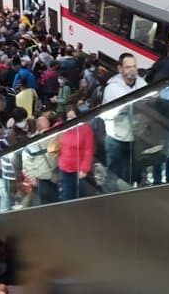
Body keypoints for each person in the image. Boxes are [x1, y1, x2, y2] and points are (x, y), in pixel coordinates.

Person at [101, 53, 147, 184]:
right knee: (114, 172)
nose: (132, 70)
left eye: (134, 66)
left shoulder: (142, 83)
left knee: (131, 172)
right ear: (120, 69)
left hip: (135, 137)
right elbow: (127, 106)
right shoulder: (112, 88)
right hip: (116, 138)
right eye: (128, 67)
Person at [57, 101, 95, 200]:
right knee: (68, 196)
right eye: (68, 118)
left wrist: (84, 169)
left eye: (73, 117)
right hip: (65, 168)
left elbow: (88, 150)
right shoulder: (63, 127)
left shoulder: (85, 129)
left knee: (81, 196)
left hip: (79, 170)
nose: (71, 120)